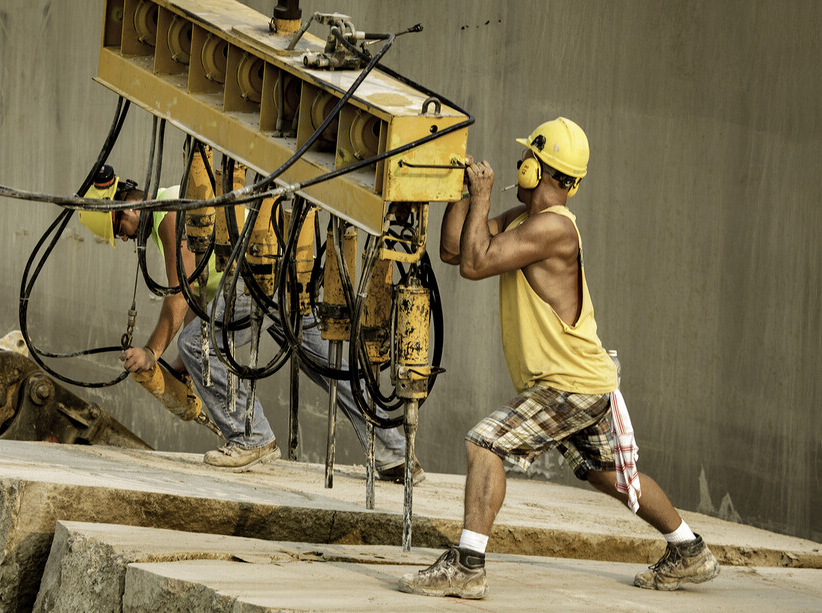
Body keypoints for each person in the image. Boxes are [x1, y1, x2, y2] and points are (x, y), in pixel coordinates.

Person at [398, 118, 718, 599]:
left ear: (536, 169)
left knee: (485, 444)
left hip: (568, 383)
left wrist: (481, 194)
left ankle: (467, 566)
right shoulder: (523, 220)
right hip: (582, 381)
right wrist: (461, 193)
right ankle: (689, 550)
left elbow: (475, 264)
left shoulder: (554, 229)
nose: (518, 165)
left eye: (526, 158)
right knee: (608, 475)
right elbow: (453, 250)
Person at [80, 172, 423, 483]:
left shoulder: (168, 213)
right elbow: (198, 299)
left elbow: (179, 297)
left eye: (118, 228)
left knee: (195, 344)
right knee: (328, 366)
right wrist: (182, 366)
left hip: (255, 276)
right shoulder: (171, 207)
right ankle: (395, 454)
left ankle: (251, 437)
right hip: (284, 272)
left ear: (126, 206)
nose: (123, 237)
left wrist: (152, 352)